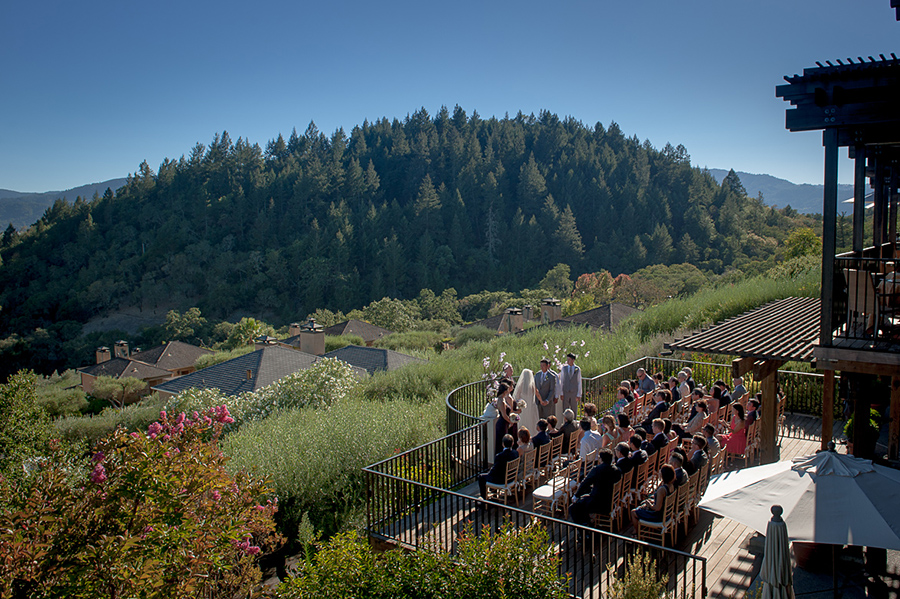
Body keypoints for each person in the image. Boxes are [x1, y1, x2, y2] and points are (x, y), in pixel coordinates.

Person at [570, 449, 621, 524]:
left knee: (573, 508)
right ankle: (587, 520)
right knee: (584, 497)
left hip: (598, 504)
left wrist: (576, 496)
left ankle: (584, 526)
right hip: (610, 501)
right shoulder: (617, 470)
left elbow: (585, 483)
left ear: (601, 459)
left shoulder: (597, 470)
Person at [478, 434, 519, 500]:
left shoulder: (499, 456)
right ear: (512, 443)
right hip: (512, 478)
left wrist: (489, 472)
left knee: (481, 477)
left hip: (502, 481)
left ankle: (484, 499)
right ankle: (493, 496)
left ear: (503, 444)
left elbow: (494, 471)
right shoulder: (516, 453)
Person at [513, 368, 539, 433]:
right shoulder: (532, 385)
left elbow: (517, 396)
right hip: (531, 406)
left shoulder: (520, 385)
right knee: (532, 421)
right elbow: (537, 393)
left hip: (523, 408)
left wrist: (520, 403)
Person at [494, 382, 517, 455]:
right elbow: (504, 415)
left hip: (504, 423)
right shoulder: (501, 401)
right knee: (502, 441)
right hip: (502, 424)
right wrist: (511, 421)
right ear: (504, 391)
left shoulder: (501, 399)